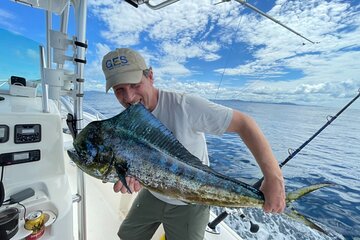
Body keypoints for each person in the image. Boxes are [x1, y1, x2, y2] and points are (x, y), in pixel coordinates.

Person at [101, 48, 285, 240]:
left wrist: (274, 178)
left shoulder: (185, 105)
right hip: (154, 194)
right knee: (128, 235)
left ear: (151, 76)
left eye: (135, 84)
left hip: (191, 201)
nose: (129, 97)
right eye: (119, 90)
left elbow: (245, 124)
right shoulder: (129, 121)